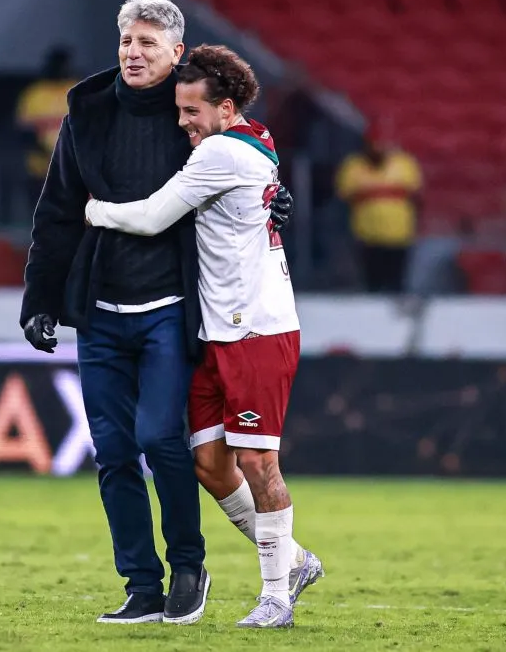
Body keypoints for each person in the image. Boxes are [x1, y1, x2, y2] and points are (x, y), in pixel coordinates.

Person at [20, 0, 292, 625]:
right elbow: (57, 208)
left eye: (147, 43)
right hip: (99, 307)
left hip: (173, 303)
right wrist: (41, 296)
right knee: (113, 451)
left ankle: (189, 566)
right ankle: (140, 584)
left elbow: (248, 158)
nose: (132, 53)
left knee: (162, 441)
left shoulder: (192, 111)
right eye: (125, 41)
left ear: (177, 51)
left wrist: (281, 199)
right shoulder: (85, 108)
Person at [84, 44, 320, 629]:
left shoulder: (221, 151)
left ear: (227, 107)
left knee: (258, 462)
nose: (183, 122)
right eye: (180, 110)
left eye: (192, 111)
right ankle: (292, 559)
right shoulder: (252, 136)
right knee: (210, 464)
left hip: (257, 328)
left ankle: (275, 597)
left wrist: (92, 211)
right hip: (216, 330)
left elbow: (150, 217)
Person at [333, 119, 422, 292]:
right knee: (372, 284)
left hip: (399, 235)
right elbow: (343, 196)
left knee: (396, 283)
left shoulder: (404, 164)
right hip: (367, 236)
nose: (378, 149)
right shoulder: (353, 166)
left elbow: (416, 196)